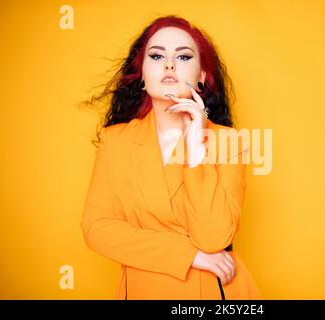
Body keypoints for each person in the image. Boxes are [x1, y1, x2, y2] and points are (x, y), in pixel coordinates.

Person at [80, 15, 262, 300]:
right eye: (156, 56)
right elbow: (97, 229)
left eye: (184, 57)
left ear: (202, 77)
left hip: (214, 293)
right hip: (141, 290)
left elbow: (213, 237)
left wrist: (195, 147)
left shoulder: (229, 143)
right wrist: (190, 255)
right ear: (141, 74)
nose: (169, 65)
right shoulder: (114, 141)